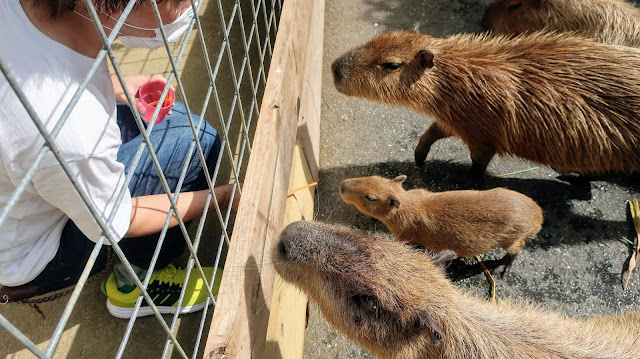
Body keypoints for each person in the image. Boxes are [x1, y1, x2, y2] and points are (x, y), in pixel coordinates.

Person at [0, 0, 239, 318]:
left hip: (22, 191)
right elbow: (117, 221)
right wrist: (223, 197)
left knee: (171, 121)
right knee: (196, 141)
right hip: (32, 258)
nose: (192, 5)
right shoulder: (70, 133)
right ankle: (135, 284)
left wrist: (114, 85)